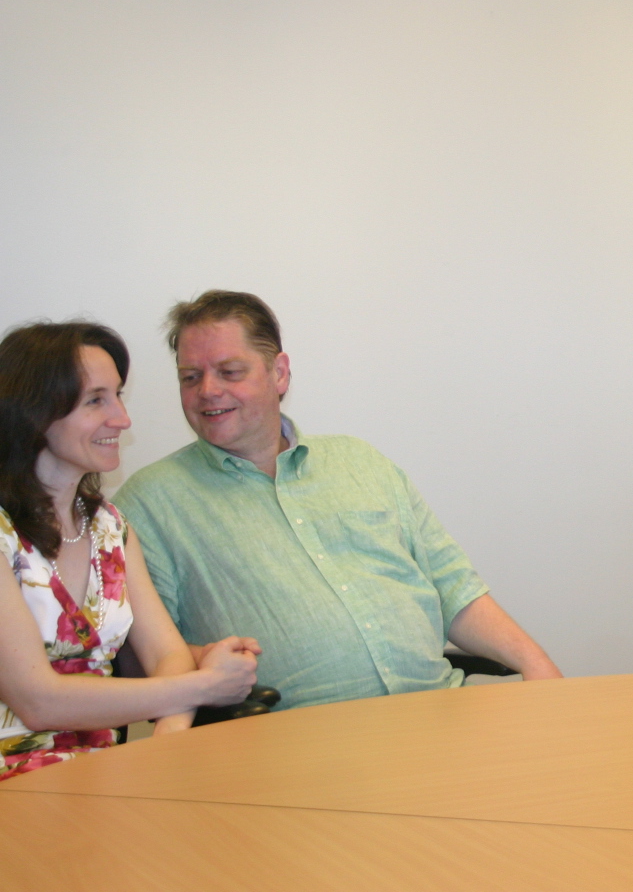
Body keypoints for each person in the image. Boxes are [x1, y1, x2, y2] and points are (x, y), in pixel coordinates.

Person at [115, 291, 561, 713]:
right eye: (190, 377)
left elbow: (453, 588)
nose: (208, 390)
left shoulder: (360, 462)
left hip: (441, 713)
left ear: (279, 373)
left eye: (229, 372)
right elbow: (135, 659)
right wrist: (207, 664)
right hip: (293, 741)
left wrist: (535, 662)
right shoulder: (149, 504)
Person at [0, 322, 260, 780]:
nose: (121, 418)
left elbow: (167, 657)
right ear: (34, 413)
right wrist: (205, 686)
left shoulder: (111, 528)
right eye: (95, 400)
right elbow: (38, 700)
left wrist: (168, 741)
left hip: (103, 780)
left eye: (117, 396)